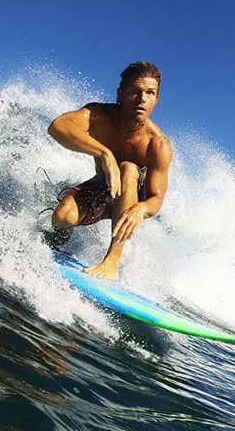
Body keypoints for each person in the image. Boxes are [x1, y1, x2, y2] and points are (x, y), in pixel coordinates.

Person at [46, 61, 172, 280]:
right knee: (62, 216)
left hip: (132, 197)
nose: (142, 99)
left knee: (128, 169)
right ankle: (59, 239)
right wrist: (105, 153)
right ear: (120, 93)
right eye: (135, 91)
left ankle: (111, 263)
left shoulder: (158, 145)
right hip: (102, 187)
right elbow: (58, 127)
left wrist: (141, 209)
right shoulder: (99, 116)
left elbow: (156, 199)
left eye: (150, 93)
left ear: (156, 99)